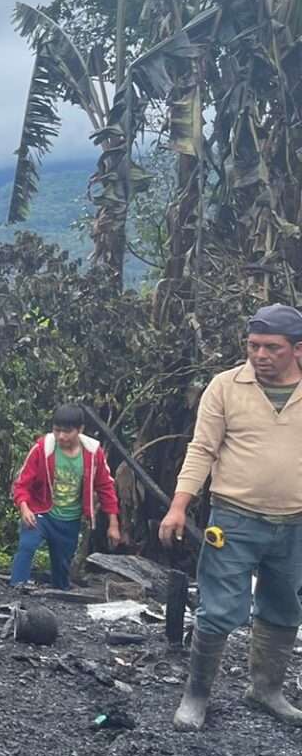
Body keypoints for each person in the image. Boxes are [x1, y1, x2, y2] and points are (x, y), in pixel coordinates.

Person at [159, 303, 302, 731]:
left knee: (283, 606)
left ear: (297, 350)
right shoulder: (226, 387)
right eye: (253, 346)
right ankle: (196, 696)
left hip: (295, 523)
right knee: (219, 608)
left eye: (271, 348)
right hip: (234, 519)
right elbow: (202, 449)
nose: (259, 355)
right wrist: (179, 505)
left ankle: (266, 690)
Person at [9, 403, 122, 590]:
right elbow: (22, 483)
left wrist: (113, 523)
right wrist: (24, 507)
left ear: (80, 430)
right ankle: (16, 588)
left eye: (67, 432)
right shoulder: (42, 449)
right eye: (57, 430)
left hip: (70, 519)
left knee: (62, 566)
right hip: (41, 512)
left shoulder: (93, 454)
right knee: (27, 546)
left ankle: (60, 597)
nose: (61, 437)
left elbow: (106, 487)